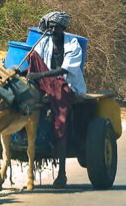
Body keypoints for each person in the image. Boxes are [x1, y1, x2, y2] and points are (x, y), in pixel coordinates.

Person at [23, 11, 86, 189]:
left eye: (55, 27)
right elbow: (35, 61)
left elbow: (65, 70)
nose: (52, 29)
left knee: (60, 124)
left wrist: (40, 74)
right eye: (50, 26)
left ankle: (62, 174)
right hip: (45, 83)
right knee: (32, 55)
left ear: (63, 28)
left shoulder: (73, 44)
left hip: (65, 85)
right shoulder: (44, 41)